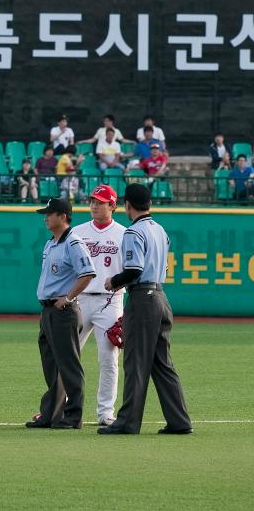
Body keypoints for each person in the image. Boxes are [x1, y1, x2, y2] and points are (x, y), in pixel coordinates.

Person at [98, 184, 192, 435]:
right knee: (162, 363)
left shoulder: (133, 231)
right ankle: (180, 421)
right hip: (161, 297)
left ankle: (127, 422)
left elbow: (134, 270)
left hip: (143, 299)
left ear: (127, 204)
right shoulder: (160, 230)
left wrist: (113, 281)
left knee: (136, 362)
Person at [27, 197, 95, 430]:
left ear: (63, 216)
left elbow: (87, 273)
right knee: (51, 365)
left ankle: (73, 416)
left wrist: (68, 298)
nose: (46, 217)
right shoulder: (51, 243)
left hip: (63, 311)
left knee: (68, 365)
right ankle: (51, 414)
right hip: (48, 310)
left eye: (50, 213)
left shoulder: (73, 242)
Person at [71, 185, 126, 427]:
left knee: (109, 358)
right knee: (67, 356)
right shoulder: (77, 232)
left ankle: (105, 412)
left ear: (112, 206)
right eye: (92, 200)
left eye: (101, 202)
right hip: (79, 300)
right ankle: (61, 407)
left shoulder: (125, 234)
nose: (94, 205)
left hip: (110, 300)